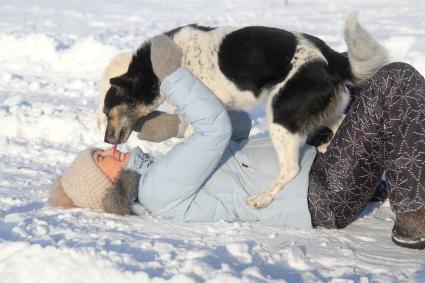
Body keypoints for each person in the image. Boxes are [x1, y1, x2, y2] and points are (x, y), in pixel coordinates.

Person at [49, 36, 425, 250]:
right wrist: (172, 77)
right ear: (106, 184)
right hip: (322, 193)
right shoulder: (156, 189)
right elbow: (213, 129)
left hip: (316, 173)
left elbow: (237, 128)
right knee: (395, 80)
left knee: (341, 84)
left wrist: (177, 127)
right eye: (101, 157)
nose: (111, 148)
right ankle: (412, 214)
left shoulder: (158, 182)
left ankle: (393, 181)